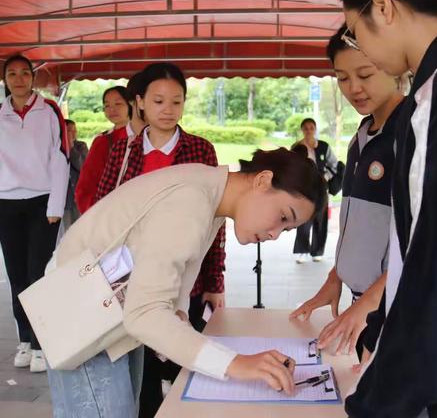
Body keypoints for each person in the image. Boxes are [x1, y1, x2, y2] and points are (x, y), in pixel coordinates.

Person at [47, 148, 323, 417]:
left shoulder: (208, 193)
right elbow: (144, 314)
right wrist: (237, 363)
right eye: (283, 217)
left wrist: (179, 318)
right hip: (84, 315)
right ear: (262, 180)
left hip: (109, 314)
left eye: (287, 229)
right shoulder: (192, 201)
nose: (276, 234)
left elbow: (168, 281)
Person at [338, 0, 437, 416]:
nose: (367, 54)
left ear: (382, 6)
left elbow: (434, 264)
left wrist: (382, 399)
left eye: (358, 33)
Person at [93, 63, 227, 417]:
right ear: (140, 103)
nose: (168, 110)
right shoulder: (123, 152)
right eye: (158, 101)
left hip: (186, 280)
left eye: (176, 102)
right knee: (142, 376)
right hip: (131, 281)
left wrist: (215, 281)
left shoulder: (201, 151)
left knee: (187, 365)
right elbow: (101, 214)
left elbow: (215, 220)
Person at [290, 24, 404, 361]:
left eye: (365, 74)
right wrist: (336, 276)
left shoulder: (411, 134)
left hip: (393, 308)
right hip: (362, 306)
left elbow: (424, 240)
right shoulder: (362, 137)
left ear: (394, 64)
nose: (353, 88)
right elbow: (358, 225)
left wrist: (371, 305)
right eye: (342, 77)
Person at [0, 54, 69, 373]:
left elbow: (60, 159)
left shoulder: (49, 111)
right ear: (5, 79)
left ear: (32, 78)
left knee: (37, 275)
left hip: (42, 203)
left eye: (24, 73)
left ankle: (43, 343)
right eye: (11, 74)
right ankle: (25, 341)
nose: (18, 79)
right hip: (6, 204)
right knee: (16, 277)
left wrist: (55, 206)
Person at [75, 86, 135, 214]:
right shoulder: (102, 141)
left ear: (131, 104)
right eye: (107, 105)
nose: (112, 109)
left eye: (118, 103)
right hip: (110, 211)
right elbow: (87, 182)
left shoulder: (146, 136)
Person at [292, 118, 340, 263]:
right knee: (303, 220)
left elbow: (335, 165)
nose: (309, 131)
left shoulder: (324, 146)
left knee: (320, 219)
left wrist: (326, 176)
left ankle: (317, 251)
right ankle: (302, 251)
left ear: (315, 129)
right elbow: (291, 168)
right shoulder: (296, 147)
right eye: (306, 128)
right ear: (302, 130)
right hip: (304, 189)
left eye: (311, 128)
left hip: (321, 188)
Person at [62, 119, 88, 230]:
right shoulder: (57, 147)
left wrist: (71, 146)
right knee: (65, 232)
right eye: (68, 130)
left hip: (78, 196)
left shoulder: (81, 146)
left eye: (74, 130)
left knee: (80, 230)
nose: (73, 133)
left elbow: (82, 166)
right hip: (64, 198)